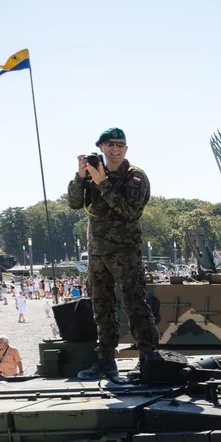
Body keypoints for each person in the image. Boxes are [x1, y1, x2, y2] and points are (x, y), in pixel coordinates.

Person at [66, 127, 160, 380]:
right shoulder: (94, 173)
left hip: (125, 251)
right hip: (97, 252)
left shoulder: (135, 176)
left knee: (135, 302)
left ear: (126, 149)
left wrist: (103, 184)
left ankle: (149, 357)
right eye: (110, 145)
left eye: (120, 145)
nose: (115, 149)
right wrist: (81, 176)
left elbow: (130, 211)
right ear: (101, 148)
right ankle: (106, 360)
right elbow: (74, 203)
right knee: (102, 306)